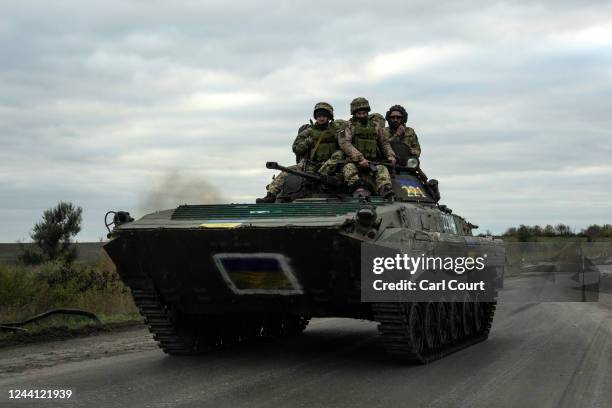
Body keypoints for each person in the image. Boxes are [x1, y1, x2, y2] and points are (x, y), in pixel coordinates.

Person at [257, 102, 345, 203]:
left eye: (324, 116)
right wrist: (307, 142)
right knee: (287, 171)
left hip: (331, 166)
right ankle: (270, 195)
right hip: (310, 164)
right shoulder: (308, 132)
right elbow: (296, 149)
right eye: (319, 116)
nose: (321, 118)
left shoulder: (337, 129)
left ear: (329, 117)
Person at [338, 97, 396, 198]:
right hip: (354, 162)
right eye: (359, 113)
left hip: (373, 162)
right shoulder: (348, 126)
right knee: (349, 169)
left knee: (382, 169)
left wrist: (391, 155)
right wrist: (360, 158)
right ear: (354, 113)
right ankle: (357, 190)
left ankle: (385, 191)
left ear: (367, 112)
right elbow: (345, 143)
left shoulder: (375, 126)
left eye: (364, 113)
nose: (362, 115)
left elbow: (384, 143)